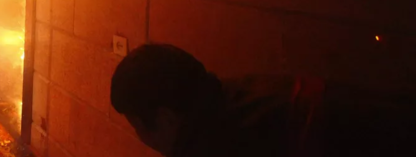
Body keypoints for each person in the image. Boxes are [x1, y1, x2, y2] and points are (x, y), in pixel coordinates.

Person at [110, 43, 415, 157]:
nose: (142, 139)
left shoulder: (223, 143)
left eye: (138, 127)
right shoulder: (234, 96)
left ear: (165, 119)